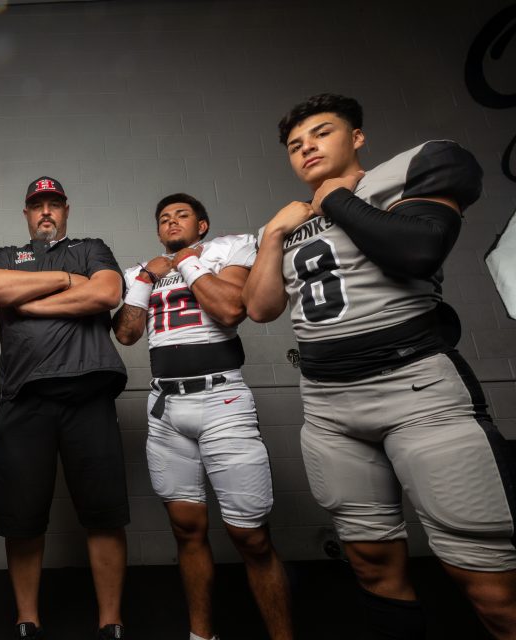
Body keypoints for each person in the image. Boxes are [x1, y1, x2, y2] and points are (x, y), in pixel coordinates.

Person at [243, 93, 516, 638]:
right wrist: (272, 235)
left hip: (414, 387)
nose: (307, 148)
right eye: (295, 145)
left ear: (357, 136)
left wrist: (334, 198)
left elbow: (418, 250)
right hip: (327, 405)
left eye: (321, 133)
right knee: (369, 563)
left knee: (485, 577)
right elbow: (260, 307)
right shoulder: (286, 224)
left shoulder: (410, 169)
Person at [112, 193, 293, 640]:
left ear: (203, 224)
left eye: (182, 215)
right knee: (186, 530)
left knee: (251, 536)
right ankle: (201, 635)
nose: (171, 222)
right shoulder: (143, 270)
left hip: (221, 400)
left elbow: (231, 309)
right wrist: (147, 278)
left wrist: (189, 263)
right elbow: (127, 334)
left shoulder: (228, 249)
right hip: (165, 406)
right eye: (164, 218)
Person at [0, 177, 130, 640]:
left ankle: (110, 621)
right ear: (27, 213)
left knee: (104, 515)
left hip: (89, 396)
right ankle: (28, 618)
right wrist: (65, 281)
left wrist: (31, 305)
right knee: (22, 519)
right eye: (38, 205)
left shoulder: (91, 248)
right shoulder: (7, 255)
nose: (46, 211)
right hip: (24, 399)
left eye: (54, 204)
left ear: (66, 210)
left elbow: (106, 293)